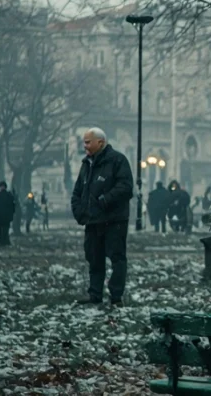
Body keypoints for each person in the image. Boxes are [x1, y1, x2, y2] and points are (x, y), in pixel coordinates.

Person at [71, 127, 134, 307]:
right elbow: (77, 192)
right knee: (94, 259)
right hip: (92, 222)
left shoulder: (118, 160)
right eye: (84, 142)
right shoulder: (86, 164)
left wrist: (105, 200)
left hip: (114, 221)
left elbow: (126, 188)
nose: (84, 146)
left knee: (117, 259)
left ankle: (116, 297)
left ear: (100, 142)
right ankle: (95, 294)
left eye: (88, 142)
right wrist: (79, 212)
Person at [0, 181, 15, 246]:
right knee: (0, 230)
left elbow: (12, 206)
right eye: (1, 186)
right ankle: (2, 242)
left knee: (5, 230)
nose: (2, 187)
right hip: (1, 216)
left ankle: (5, 241)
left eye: (3, 186)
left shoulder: (7, 195)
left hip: (5, 216)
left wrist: (11, 213)